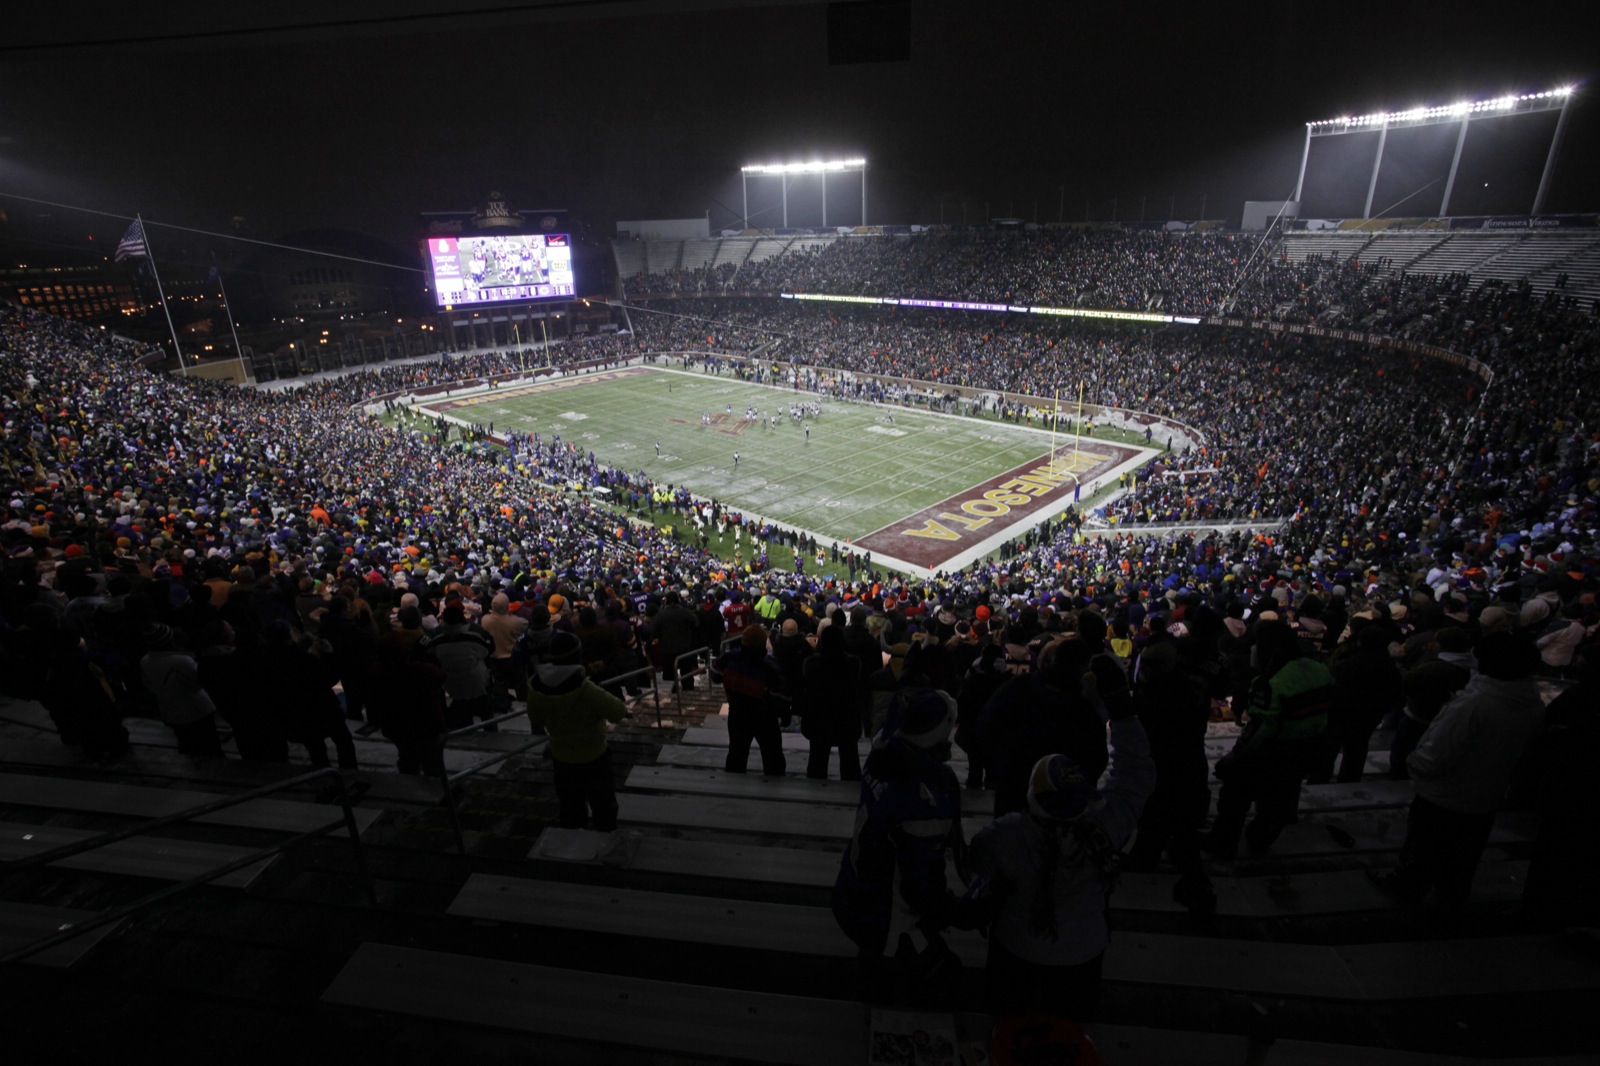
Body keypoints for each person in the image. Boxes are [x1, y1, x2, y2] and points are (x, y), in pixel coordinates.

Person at [967, 656, 1153, 1020]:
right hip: (1084, 951)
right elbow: (1134, 774)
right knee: (1069, 1027)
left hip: (1015, 947)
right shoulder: (1106, 826)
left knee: (1007, 1023)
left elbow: (975, 863)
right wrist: (1123, 710)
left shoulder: (1007, 834)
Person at [1375, 632, 1546, 906]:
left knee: (1423, 850)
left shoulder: (1475, 704)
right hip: (1487, 795)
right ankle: (1450, 900)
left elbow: (1436, 753)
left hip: (1444, 794)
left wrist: (1415, 766)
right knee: (1463, 859)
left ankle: (1407, 889)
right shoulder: (1532, 703)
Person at [831, 687, 967, 996]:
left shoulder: (883, 756)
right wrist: (957, 913)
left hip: (854, 886)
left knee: (873, 964)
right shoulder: (923, 799)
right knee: (931, 982)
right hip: (887, 916)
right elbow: (920, 886)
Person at [1202, 619, 1332, 858]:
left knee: (1234, 798)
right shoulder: (1320, 669)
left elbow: (1261, 730)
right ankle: (1260, 839)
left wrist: (1235, 758)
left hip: (1273, 751)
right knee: (1278, 801)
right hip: (1307, 748)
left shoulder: (1270, 682)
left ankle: (1224, 842)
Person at [527, 630, 627, 832]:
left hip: (562, 757)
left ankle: (573, 848)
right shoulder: (585, 689)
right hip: (594, 757)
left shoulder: (536, 687)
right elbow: (618, 711)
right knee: (603, 806)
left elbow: (536, 719)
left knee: (570, 808)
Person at [710, 623, 787, 776]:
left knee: (736, 755)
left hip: (737, 714)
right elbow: (781, 697)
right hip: (765, 719)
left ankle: (734, 790)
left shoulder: (730, 657)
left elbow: (714, 673)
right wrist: (784, 715)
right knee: (773, 758)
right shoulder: (769, 666)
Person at [140, 622, 223, 757]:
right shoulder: (182, 661)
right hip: (197, 710)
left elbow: (150, 686)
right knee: (211, 748)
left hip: (170, 712)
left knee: (186, 746)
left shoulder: (145, 661)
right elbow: (199, 682)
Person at [800, 624, 865, 780]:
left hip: (818, 719)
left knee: (817, 762)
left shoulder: (811, 663)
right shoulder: (853, 663)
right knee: (850, 764)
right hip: (846, 719)